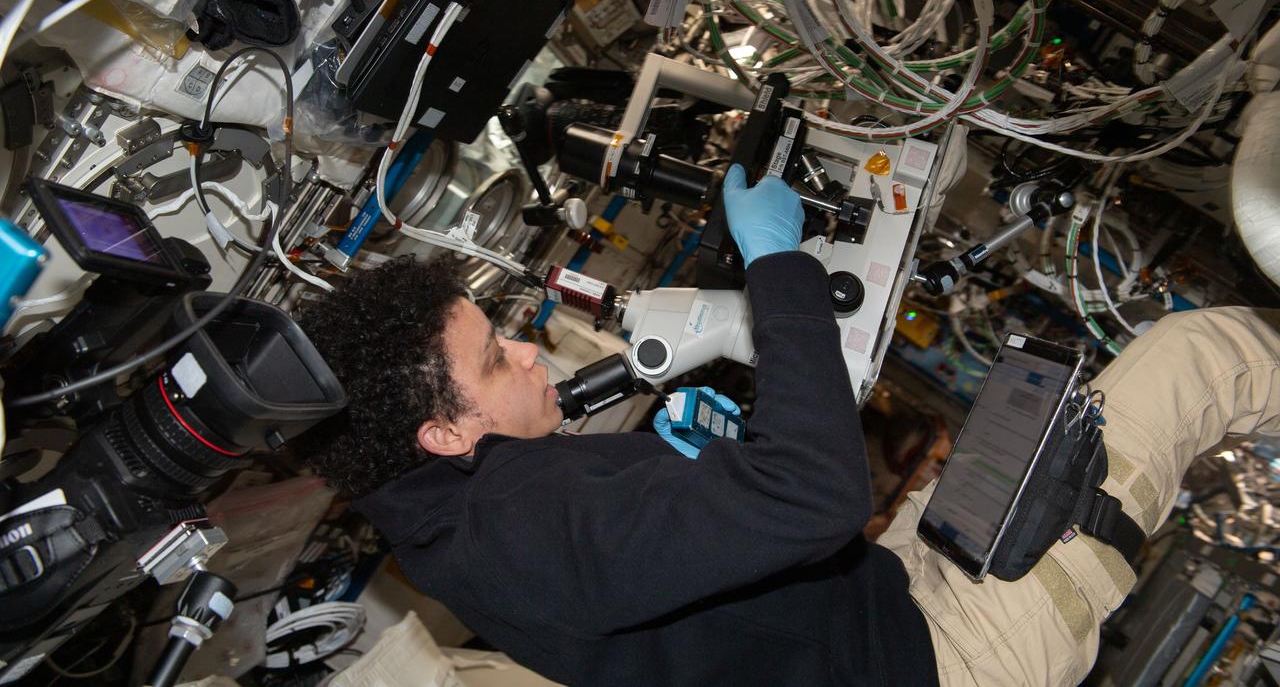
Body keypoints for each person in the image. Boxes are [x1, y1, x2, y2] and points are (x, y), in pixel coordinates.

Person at [296, 165, 1280, 686]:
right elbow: (815, 493)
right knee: (1204, 354)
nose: (522, 353)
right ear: (439, 431)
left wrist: (699, 476)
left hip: (883, 603)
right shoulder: (518, 518)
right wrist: (779, 272)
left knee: (1016, 412)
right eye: (491, 360)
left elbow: (685, 577)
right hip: (948, 659)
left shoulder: (452, 527)